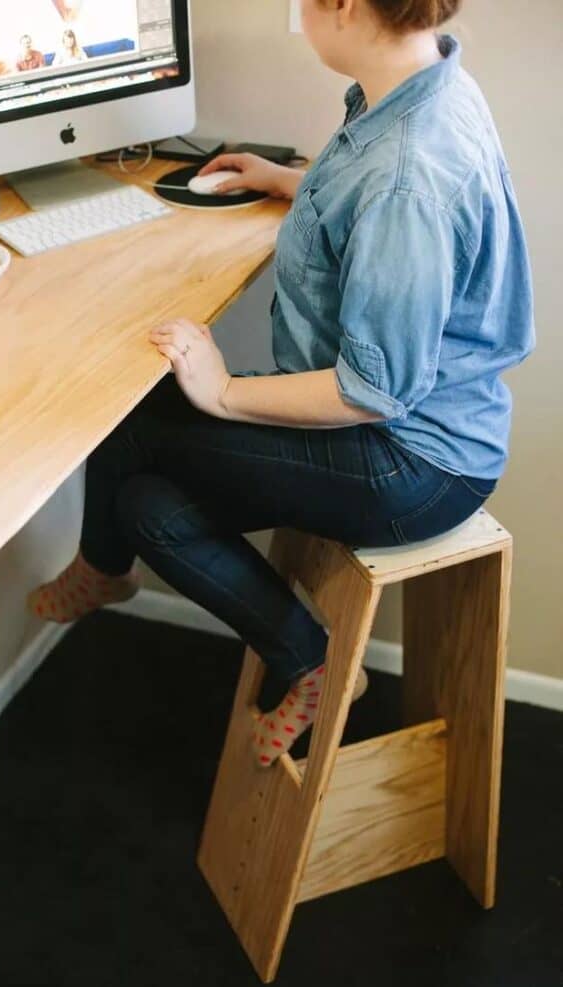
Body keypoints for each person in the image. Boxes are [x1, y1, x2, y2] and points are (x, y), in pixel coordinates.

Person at [28, 0, 534, 768]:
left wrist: (224, 391)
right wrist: (288, 181)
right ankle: (311, 659)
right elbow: (374, 211)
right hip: (412, 424)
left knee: (128, 421)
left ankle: (101, 569)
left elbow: (371, 389)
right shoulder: (417, 82)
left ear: (343, 6)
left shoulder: (409, 172)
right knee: (144, 504)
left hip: (411, 461)